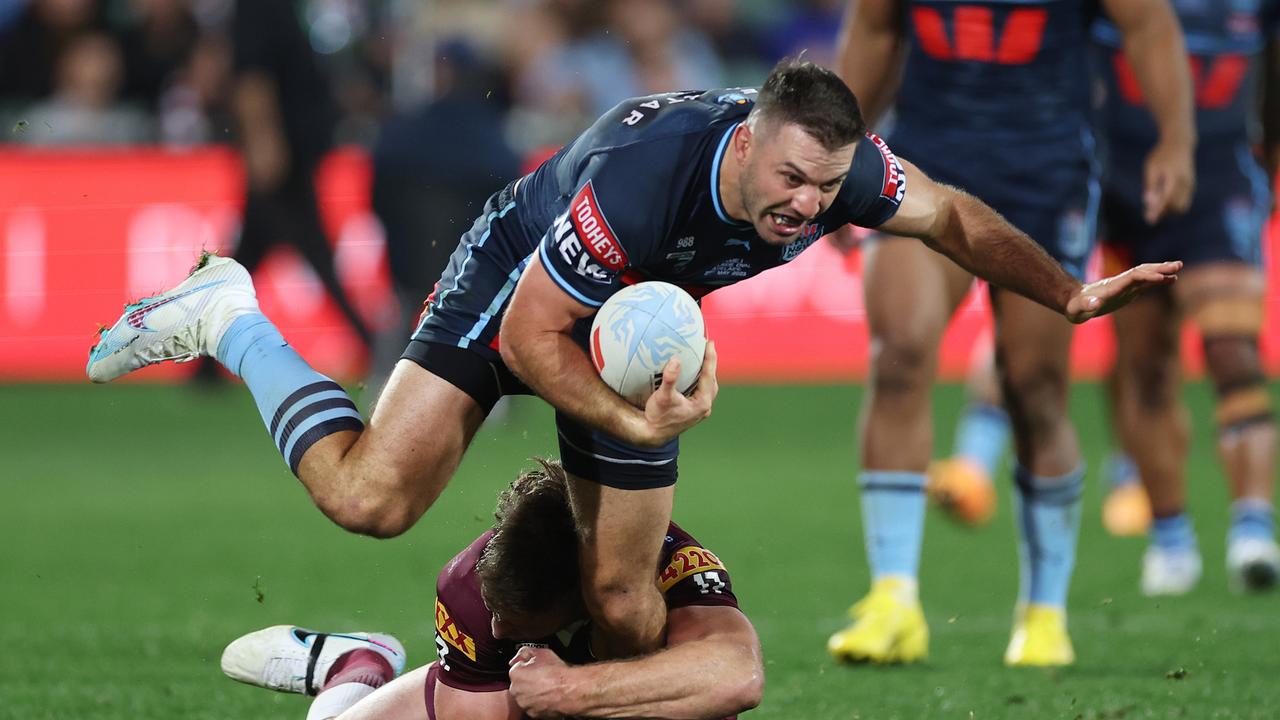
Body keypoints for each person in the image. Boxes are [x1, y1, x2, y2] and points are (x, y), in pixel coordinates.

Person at [86, 58, 1180, 662]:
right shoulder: (645, 178)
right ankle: (232, 318)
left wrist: (1068, 292)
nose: (805, 210)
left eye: (825, 189)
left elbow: (949, 219)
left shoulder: (837, 175)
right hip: (524, 274)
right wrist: (632, 425)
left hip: (628, 328)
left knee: (621, 598)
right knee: (371, 499)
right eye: (790, 181)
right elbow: (529, 338)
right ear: (746, 140)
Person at [827, 0, 1195, 667]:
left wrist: (1176, 140)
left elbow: (1149, 25)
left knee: (1035, 388)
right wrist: (831, 154)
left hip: (1045, 173)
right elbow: (874, 32)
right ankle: (892, 599)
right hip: (923, 160)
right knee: (901, 352)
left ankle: (1044, 613)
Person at [220, 458, 763, 720]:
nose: (501, 626)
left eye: (520, 614)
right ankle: (358, 665)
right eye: (496, 608)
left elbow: (738, 679)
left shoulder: (672, 564)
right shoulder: (467, 590)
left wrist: (567, 692)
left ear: (581, 594)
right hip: (509, 700)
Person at [1094, 0, 1280, 595]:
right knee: (1145, 367)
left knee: (1233, 352)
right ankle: (1170, 537)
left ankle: (1253, 531)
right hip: (1123, 184)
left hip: (1220, 176)